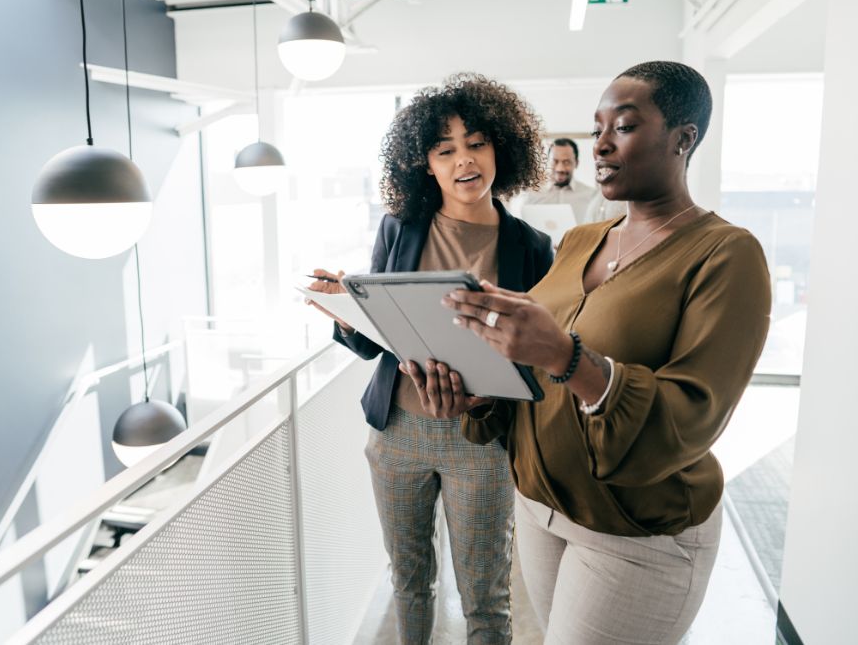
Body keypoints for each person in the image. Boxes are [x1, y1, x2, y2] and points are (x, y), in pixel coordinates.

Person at [416, 61, 772, 644]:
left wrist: (568, 358)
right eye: (598, 126)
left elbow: (692, 417)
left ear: (685, 138)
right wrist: (480, 393)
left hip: (636, 534)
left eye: (624, 127)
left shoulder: (725, 255)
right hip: (540, 509)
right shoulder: (582, 240)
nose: (600, 145)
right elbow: (531, 374)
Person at [307, 73, 554, 645]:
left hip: (482, 442)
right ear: (427, 165)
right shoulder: (400, 228)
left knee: (485, 600)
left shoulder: (533, 249)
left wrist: (494, 391)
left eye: (476, 143)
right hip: (396, 434)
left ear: (502, 149)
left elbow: (541, 358)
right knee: (409, 583)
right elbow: (376, 344)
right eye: (445, 150)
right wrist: (346, 312)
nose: (464, 160)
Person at [514, 138, 626, 224]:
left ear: (576, 163)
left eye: (566, 162)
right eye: (555, 161)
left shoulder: (591, 196)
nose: (560, 169)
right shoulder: (530, 195)